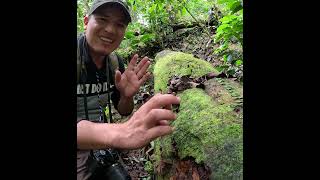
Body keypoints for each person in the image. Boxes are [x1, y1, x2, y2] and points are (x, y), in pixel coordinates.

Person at [77, 0, 180, 179]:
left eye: (119, 24)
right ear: (86, 21)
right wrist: (122, 132)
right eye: (102, 19)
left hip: (100, 141)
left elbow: (124, 110)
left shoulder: (114, 62)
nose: (110, 29)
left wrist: (125, 96)